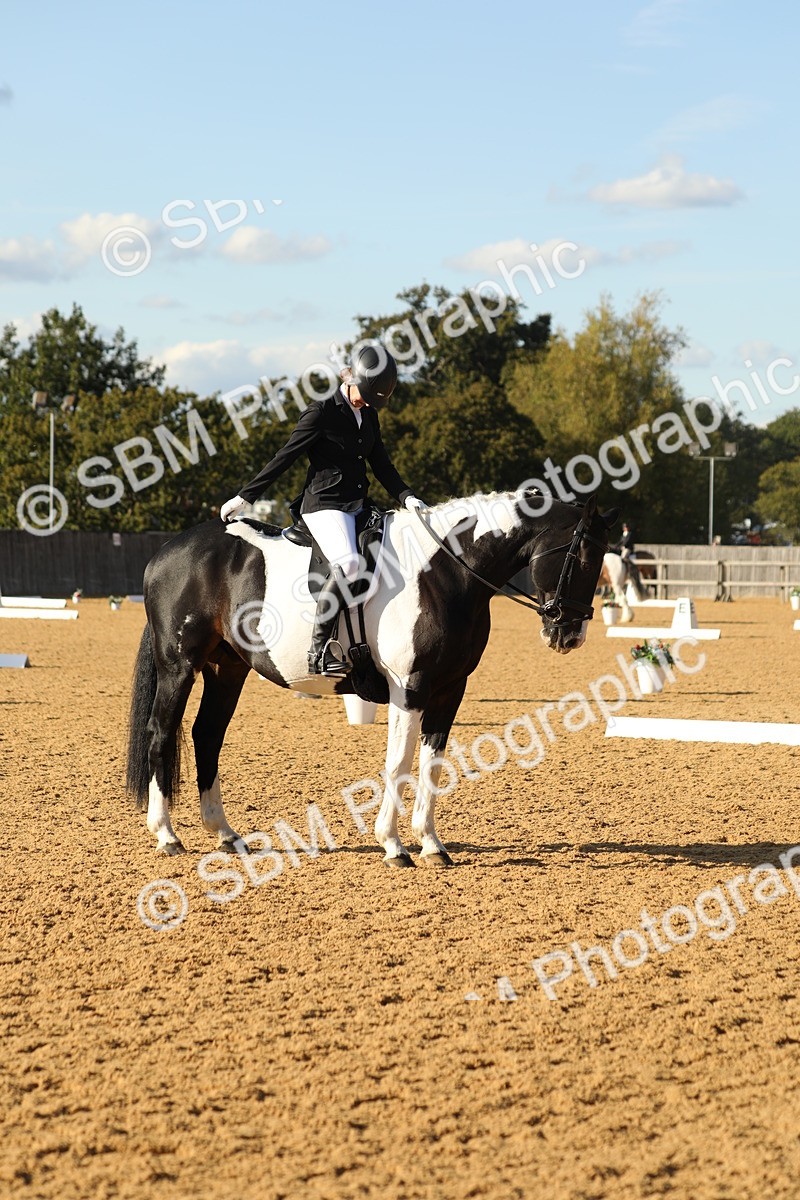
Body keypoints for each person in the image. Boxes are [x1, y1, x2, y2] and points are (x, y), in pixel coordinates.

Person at [220, 345, 426, 675]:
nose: (367, 403)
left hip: (359, 505)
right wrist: (246, 497)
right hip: (325, 506)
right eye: (365, 395)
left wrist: (408, 498)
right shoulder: (321, 412)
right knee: (349, 565)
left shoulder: (368, 414)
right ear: (353, 379)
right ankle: (318, 651)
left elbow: (382, 465)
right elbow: (284, 456)